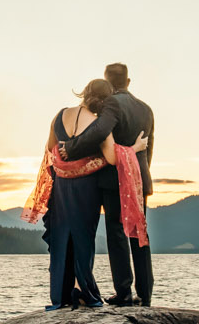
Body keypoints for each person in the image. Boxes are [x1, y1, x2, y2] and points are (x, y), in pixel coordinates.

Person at [21, 78, 149, 310]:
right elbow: (112, 158)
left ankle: (61, 295)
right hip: (86, 187)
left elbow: (50, 148)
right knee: (82, 238)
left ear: (85, 93)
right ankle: (83, 290)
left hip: (61, 187)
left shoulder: (60, 115)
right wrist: (135, 149)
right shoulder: (99, 124)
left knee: (62, 238)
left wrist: (65, 164)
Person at [59, 63, 155, 305]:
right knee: (139, 233)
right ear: (129, 81)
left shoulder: (112, 103)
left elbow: (100, 131)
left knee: (116, 232)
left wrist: (71, 148)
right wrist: (140, 175)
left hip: (115, 178)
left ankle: (124, 293)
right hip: (138, 178)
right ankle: (145, 293)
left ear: (108, 82)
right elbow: (149, 148)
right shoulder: (146, 109)